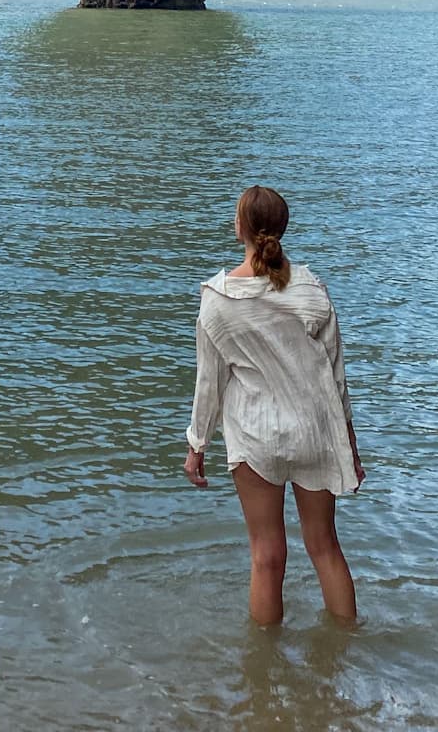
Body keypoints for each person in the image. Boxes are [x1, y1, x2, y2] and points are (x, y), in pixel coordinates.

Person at [183, 184, 364, 626]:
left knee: (266, 557)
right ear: (282, 228)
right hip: (314, 431)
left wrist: (197, 446)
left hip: (256, 436)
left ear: (239, 228)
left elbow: (210, 382)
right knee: (324, 547)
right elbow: (336, 377)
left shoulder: (218, 298)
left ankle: (262, 676)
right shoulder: (311, 289)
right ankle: (344, 651)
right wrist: (350, 446)